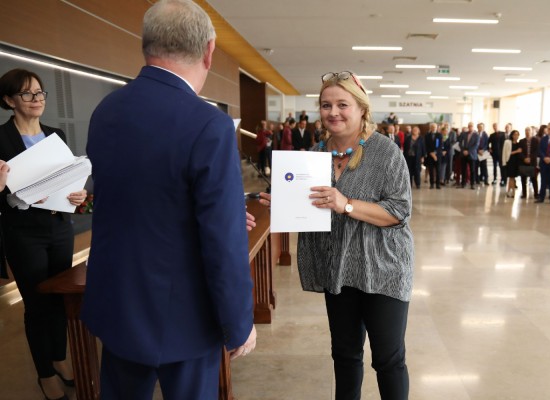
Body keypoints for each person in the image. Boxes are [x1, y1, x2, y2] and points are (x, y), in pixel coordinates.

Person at [80, 1, 256, 399]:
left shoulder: (106, 111)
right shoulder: (208, 124)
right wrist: (238, 321)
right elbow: (223, 240)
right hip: (184, 315)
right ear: (209, 51)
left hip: (118, 302)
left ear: (146, 45)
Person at [260, 70, 413, 399]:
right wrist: (285, 203)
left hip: (384, 270)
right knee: (344, 356)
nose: (333, 113)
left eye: (342, 104)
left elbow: (399, 212)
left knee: (388, 360)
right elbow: (310, 207)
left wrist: (346, 204)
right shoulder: (314, 155)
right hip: (338, 271)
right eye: (326, 105)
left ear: (361, 109)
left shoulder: (386, 153)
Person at [0, 68, 88, 400]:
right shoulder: (0, 139)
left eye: (40, 93)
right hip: (24, 233)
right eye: (27, 94)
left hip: (59, 229)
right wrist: (8, 194)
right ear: (9, 100)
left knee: (60, 297)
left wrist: (78, 196)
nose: (37, 100)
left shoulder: (56, 134)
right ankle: (45, 373)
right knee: (37, 304)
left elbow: (67, 183)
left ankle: (60, 357)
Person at [518, 126, 539, 199]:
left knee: (534, 179)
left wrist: (530, 158)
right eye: (526, 130)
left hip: (532, 162)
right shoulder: (521, 141)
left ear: (532, 131)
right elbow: (520, 152)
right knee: (523, 179)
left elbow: (536, 151)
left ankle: (536, 194)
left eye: (529, 130)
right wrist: (524, 159)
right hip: (523, 162)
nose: (527, 132)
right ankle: (524, 194)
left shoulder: (536, 140)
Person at [459, 122, 480, 189]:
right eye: (469, 126)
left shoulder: (476, 135)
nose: (470, 127)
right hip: (464, 153)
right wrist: (463, 150)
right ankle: (463, 183)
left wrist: (468, 151)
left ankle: (472, 184)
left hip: (472, 154)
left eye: (471, 126)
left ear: (473, 127)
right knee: (463, 169)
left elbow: (476, 145)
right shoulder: (464, 134)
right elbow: (460, 143)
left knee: (472, 170)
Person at [502, 130, 522, 198]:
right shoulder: (507, 142)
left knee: (512, 178)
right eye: (514, 134)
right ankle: (511, 192)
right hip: (510, 161)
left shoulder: (518, 143)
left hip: (516, 162)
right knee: (511, 177)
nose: (516, 136)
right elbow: (507, 153)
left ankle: (510, 191)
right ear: (512, 135)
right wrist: (517, 151)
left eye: (517, 135)